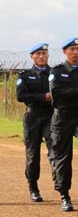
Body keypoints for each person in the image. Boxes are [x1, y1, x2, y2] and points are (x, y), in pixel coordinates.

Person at [48, 37, 78, 212]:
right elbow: (56, 92)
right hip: (62, 118)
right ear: (65, 52)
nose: (75, 52)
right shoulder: (57, 71)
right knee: (63, 157)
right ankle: (64, 195)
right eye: (71, 49)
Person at [16, 42, 54, 202]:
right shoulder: (25, 76)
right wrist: (42, 97)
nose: (41, 56)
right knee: (33, 155)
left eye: (44, 54)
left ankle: (59, 181)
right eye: (38, 54)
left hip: (51, 117)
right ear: (32, 56)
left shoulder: (54, 73)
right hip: (33, 118)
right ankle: (33, 187)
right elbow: (21, 96)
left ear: (47, 55)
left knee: (56, 149)